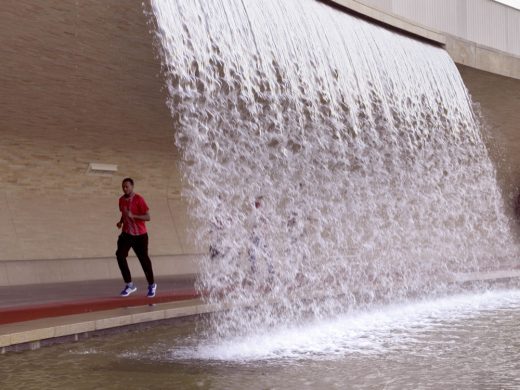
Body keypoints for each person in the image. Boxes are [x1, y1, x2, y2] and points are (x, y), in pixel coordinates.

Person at [115, 178, 157, 297]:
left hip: (140, 236)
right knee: (120, 255)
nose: (125, 188)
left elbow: (148, 217)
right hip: (127, 234)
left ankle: (152, 285)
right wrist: (120, 222)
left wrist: (134, 216)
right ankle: (129, 285)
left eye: (127, 186)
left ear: (132, 186)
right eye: (123, 186)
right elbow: (124, 214)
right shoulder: (121, 200)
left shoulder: (139, 199)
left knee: (144, 260)